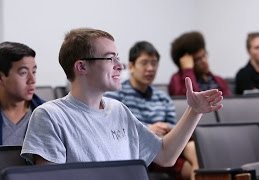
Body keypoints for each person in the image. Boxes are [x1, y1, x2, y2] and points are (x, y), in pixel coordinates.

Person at [21, 28, 223, 168]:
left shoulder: (118, 109)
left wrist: (194, 111)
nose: (120, 65)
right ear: (81, 66)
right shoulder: (49, 116)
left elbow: (166, 155)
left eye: (118, 57)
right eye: (110, 58)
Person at [105, 41, 198, 179]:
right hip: (140, 148)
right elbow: (116, 128)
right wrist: (148, 129)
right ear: (131, 66)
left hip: (167, 144)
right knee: (191, 167)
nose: (150, 68)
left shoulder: (163, 97)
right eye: (144, 63)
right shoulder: (116, 95)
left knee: (192, 148)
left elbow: (174, 126)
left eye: (154, 63)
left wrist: (167, 127)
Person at [0, 41, 44, 145]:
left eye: (33, 72)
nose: (32, 80)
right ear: (1, 78)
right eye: (23, 73)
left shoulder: (48, 114)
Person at [169, 31, 232, 97]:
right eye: (198, 59)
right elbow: (191, 102)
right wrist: (188, 71)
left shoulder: (219, 80)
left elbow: (229, 103)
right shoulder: (176, 80)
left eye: (204, 55)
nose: (204, 61)